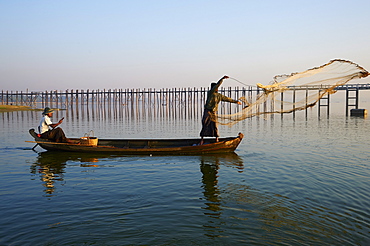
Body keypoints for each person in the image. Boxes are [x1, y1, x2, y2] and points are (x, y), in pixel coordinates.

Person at [200, 75, 241, 145]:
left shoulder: (219, 96)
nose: (217, 88)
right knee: (205, 123)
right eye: (216, 87)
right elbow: (217, 85)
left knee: (215, 125)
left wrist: (236, 101)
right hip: (207, 111)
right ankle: (202, 139)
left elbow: (227, 99)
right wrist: (222, 79)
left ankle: (217, 138)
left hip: (213, 112)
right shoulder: (210, 93)